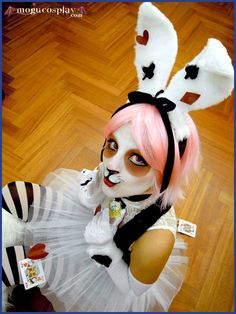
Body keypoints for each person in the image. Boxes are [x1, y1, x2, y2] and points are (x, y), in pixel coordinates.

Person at [2, 2, 233, 312]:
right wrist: (95, 190)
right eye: (112, 145)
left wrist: (107, 249)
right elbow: (94, 196)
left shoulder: (156, 241)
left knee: (12, 267)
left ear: (165, 171)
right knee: (13, 193)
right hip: (93, 220)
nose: (111, 164)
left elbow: (131, 289)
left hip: (102, 273)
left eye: (137, 159)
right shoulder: (115, 177)